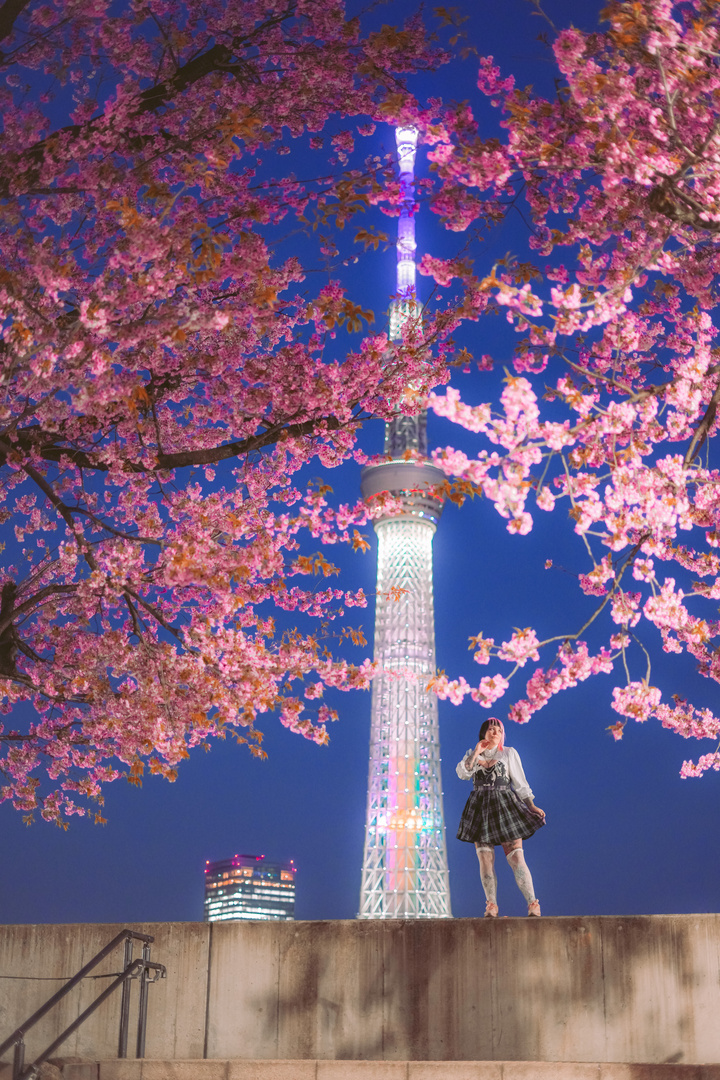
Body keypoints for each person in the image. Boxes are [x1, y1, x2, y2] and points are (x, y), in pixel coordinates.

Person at [456, 716, 546, 918]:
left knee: (516, 857)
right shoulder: (471, 755)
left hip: (505, 805)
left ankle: (533, 904)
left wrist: (530, 805)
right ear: (483, 733)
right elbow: (462, 773)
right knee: (485, 859)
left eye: (498, 729)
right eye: (490, 729)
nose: (495, 732)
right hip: (480, 808)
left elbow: (520, 782)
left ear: (503, 734)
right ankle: (491, 905)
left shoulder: (509, 753)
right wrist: (477, 752)